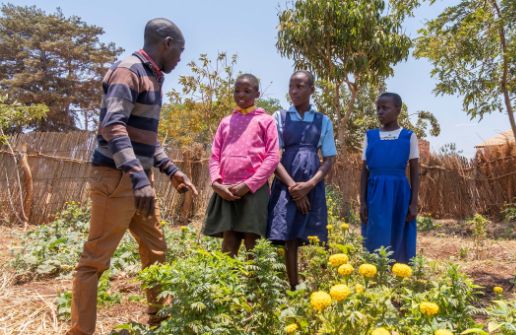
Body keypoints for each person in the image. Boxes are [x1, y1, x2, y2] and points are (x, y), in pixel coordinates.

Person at [69, 18, 197, 335]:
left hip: (139, 182)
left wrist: (172, 171)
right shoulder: (129, 70)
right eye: (180, 50)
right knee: (94, 262)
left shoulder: (153, 77)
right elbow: (113, 126)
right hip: (116, 179)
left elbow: (147, 141)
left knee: (157, 252)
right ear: (166, 43)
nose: (181, 58)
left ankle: (161, 325)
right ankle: (80, 331)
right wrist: (139, 178)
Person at [267, 70, 337, 290]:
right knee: (289, 236)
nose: (294, 91)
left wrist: (308, 185)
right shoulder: (279, 117)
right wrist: (293, 187)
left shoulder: (322, 121)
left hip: (312, 185)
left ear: (312, 90)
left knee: (315, 233)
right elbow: (273, 157)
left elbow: (329, 158)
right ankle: (293, 286)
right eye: (291, 86)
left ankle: (321, 285)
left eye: (300, 86)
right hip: (285, 184)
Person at [202, 74, 280, 256]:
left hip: (253, 190)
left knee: (253, 241)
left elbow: (272, 157)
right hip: (227, 190)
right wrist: (216, 183)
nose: (241, 95)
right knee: (229, 241)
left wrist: (250, 184)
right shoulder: (226, 122)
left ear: (257, 93)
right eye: (237, 90)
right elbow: (214, 156)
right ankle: (228, 283)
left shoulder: (266, 121)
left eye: (247, 90)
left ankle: (254, 283)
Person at [359, 92, 420, 264]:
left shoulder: (408, 137)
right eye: (378, 108)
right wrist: (362, 202)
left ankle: (398, 275)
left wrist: (414, 203)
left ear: (398, 110)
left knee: (399, 231)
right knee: (376, 232)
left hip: (399, 193)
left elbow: (415, 171)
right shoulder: (369, 136)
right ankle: (376, 272)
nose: (380, 112)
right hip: (375, 194)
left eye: (385, 108)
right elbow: (364, 172)